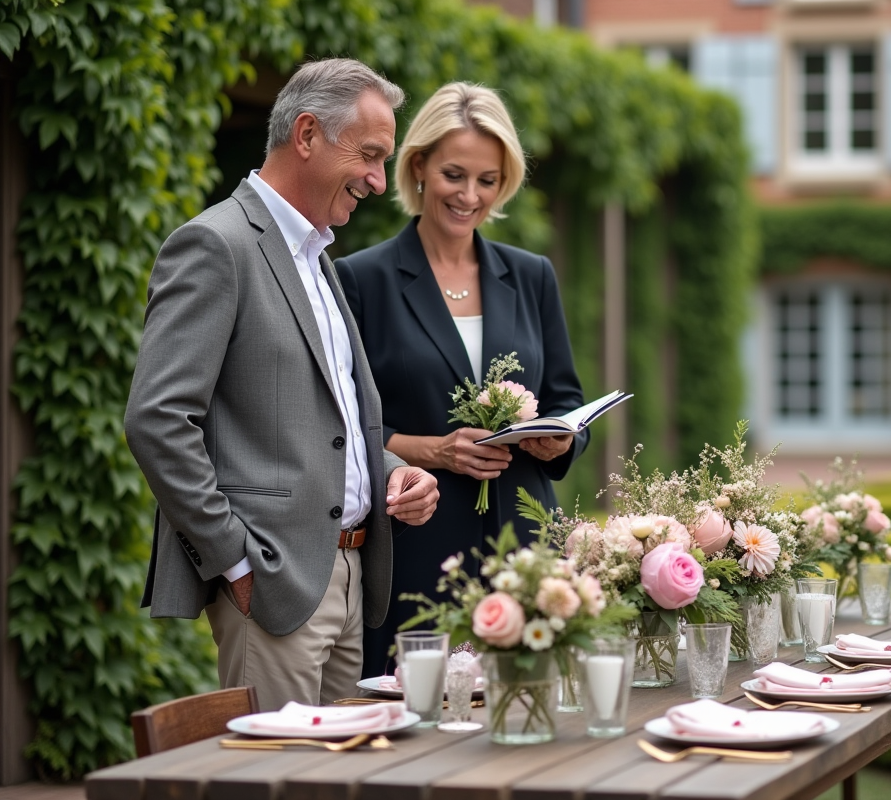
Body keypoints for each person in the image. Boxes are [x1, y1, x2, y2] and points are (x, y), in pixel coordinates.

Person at [125, 58, 439, 711]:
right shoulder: (216, 245)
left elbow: (324, 422)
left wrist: (390, 471)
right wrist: (236, 563)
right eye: (371, 156)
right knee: (280, 782)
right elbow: (157, 419)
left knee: (351, 779)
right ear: (306, 135)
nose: (380, 183)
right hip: (273, 587)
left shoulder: (317, 256)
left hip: (353, 578)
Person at [335, 82, 590, 677]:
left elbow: (565, 398)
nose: (469, 195)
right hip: (417, 551)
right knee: (413, 730)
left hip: (526, 550)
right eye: (455, 174)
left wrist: (563, 438)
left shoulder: (532, 276)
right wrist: (432, 451)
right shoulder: (359, 279)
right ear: (418, 165)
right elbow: (340, 424)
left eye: (488, 180)